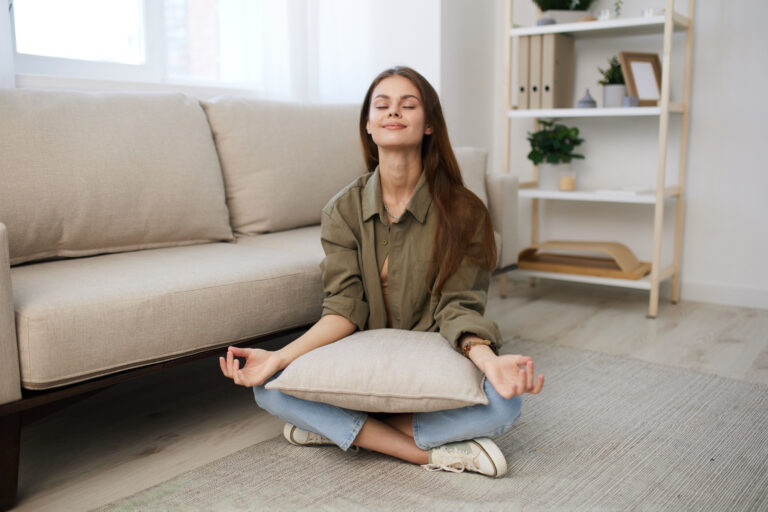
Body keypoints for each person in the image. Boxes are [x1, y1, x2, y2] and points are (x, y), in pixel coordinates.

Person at [220, 66, 544, 477]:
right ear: (369, 125)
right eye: (382, 105)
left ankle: (336, 428)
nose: (394, 112)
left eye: (408, 105)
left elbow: (458, 306)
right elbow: (343, 309)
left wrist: (487, 360)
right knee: (267, 387)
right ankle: (427, 454)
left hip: (432, 355)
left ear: (429, 125)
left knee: (506, 404)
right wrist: (278, 357)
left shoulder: (465, 212)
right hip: (364, 359)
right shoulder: (341, 210)